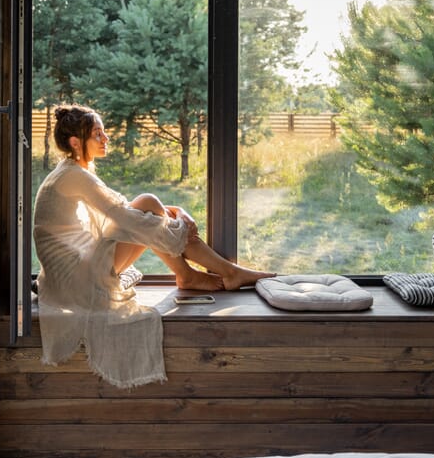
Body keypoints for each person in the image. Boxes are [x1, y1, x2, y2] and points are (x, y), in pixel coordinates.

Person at [32, 104, 273, 388]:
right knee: (146, 209)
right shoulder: (73, 175)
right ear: (76, 143)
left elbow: (122, 208)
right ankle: (221, 273)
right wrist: (177, 224)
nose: (106, 139)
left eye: (104, 133)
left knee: (147, 205)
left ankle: (202, 274)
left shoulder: (71, 171)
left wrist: (177, 212)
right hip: (78, 283)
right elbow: (125, 216)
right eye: (98, 134)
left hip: (74, 275)